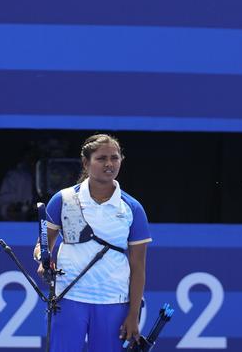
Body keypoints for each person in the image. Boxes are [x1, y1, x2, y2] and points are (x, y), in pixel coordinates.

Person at [40, 134, 151, 351]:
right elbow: (43, 245)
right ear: (86, 162)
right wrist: (42, 260)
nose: (109, 164)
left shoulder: (132, 208)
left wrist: (133, 315)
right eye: (101, 158)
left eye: (115, 158)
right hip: (69, 297)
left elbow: (138, 268)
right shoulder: (63, 199)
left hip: (113, 301)